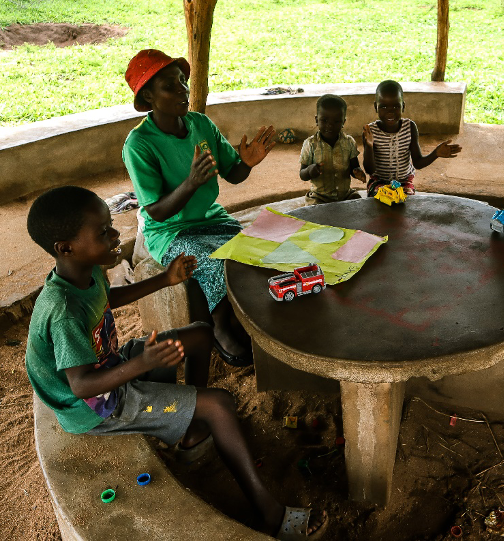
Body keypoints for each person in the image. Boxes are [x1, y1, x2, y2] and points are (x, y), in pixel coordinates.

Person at [25, 186, 327, 538]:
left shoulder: (83, 273)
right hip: (96, 407)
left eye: (111, 226)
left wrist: (164, 280)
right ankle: (271, 515)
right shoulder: (61, 311)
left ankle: (192, 433)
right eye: (103, 231)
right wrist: (141, 364)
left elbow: (108, 298)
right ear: (66, 247)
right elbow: (81, 386)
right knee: (220, 404)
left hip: (108, 368)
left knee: (200, 334)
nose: (115, 234)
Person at [121, 49, 276, 367]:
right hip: (169, 231)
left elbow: (232, 174)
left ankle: (250, 316)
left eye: (182, 81)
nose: (182, 90)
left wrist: (246, 163)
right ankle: (219, 326)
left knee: (254, 250)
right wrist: (190, 183)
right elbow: (157, 213)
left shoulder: (201, 125)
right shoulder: (139, 145)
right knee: (207, 260)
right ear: (148, 96)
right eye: (170, 85)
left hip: (211, 219)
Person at [361, 80, 462, 196]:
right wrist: (369, 145)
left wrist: (436, 153)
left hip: (403, 183)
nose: (390, 112)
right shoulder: (370, 131)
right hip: (379, 182)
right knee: (381, 196)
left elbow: (418, 163)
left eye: (395, 106)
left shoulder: (409, 127)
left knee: (406, 200)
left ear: (403, 106)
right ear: (376, 107)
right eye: (383, 107)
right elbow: (369, 169)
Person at [299, 94, 367, 205]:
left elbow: (354, 166)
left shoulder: (349, 142)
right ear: (316, 120)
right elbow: (302, 174)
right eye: (324, 120)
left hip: (345, 195)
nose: (330, 125)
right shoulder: (310, 144)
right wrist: (310, 170)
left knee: (357, 203)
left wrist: (357, 172)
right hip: (319, 197)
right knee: (314, 210)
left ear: (343, 122)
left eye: (336, 121)